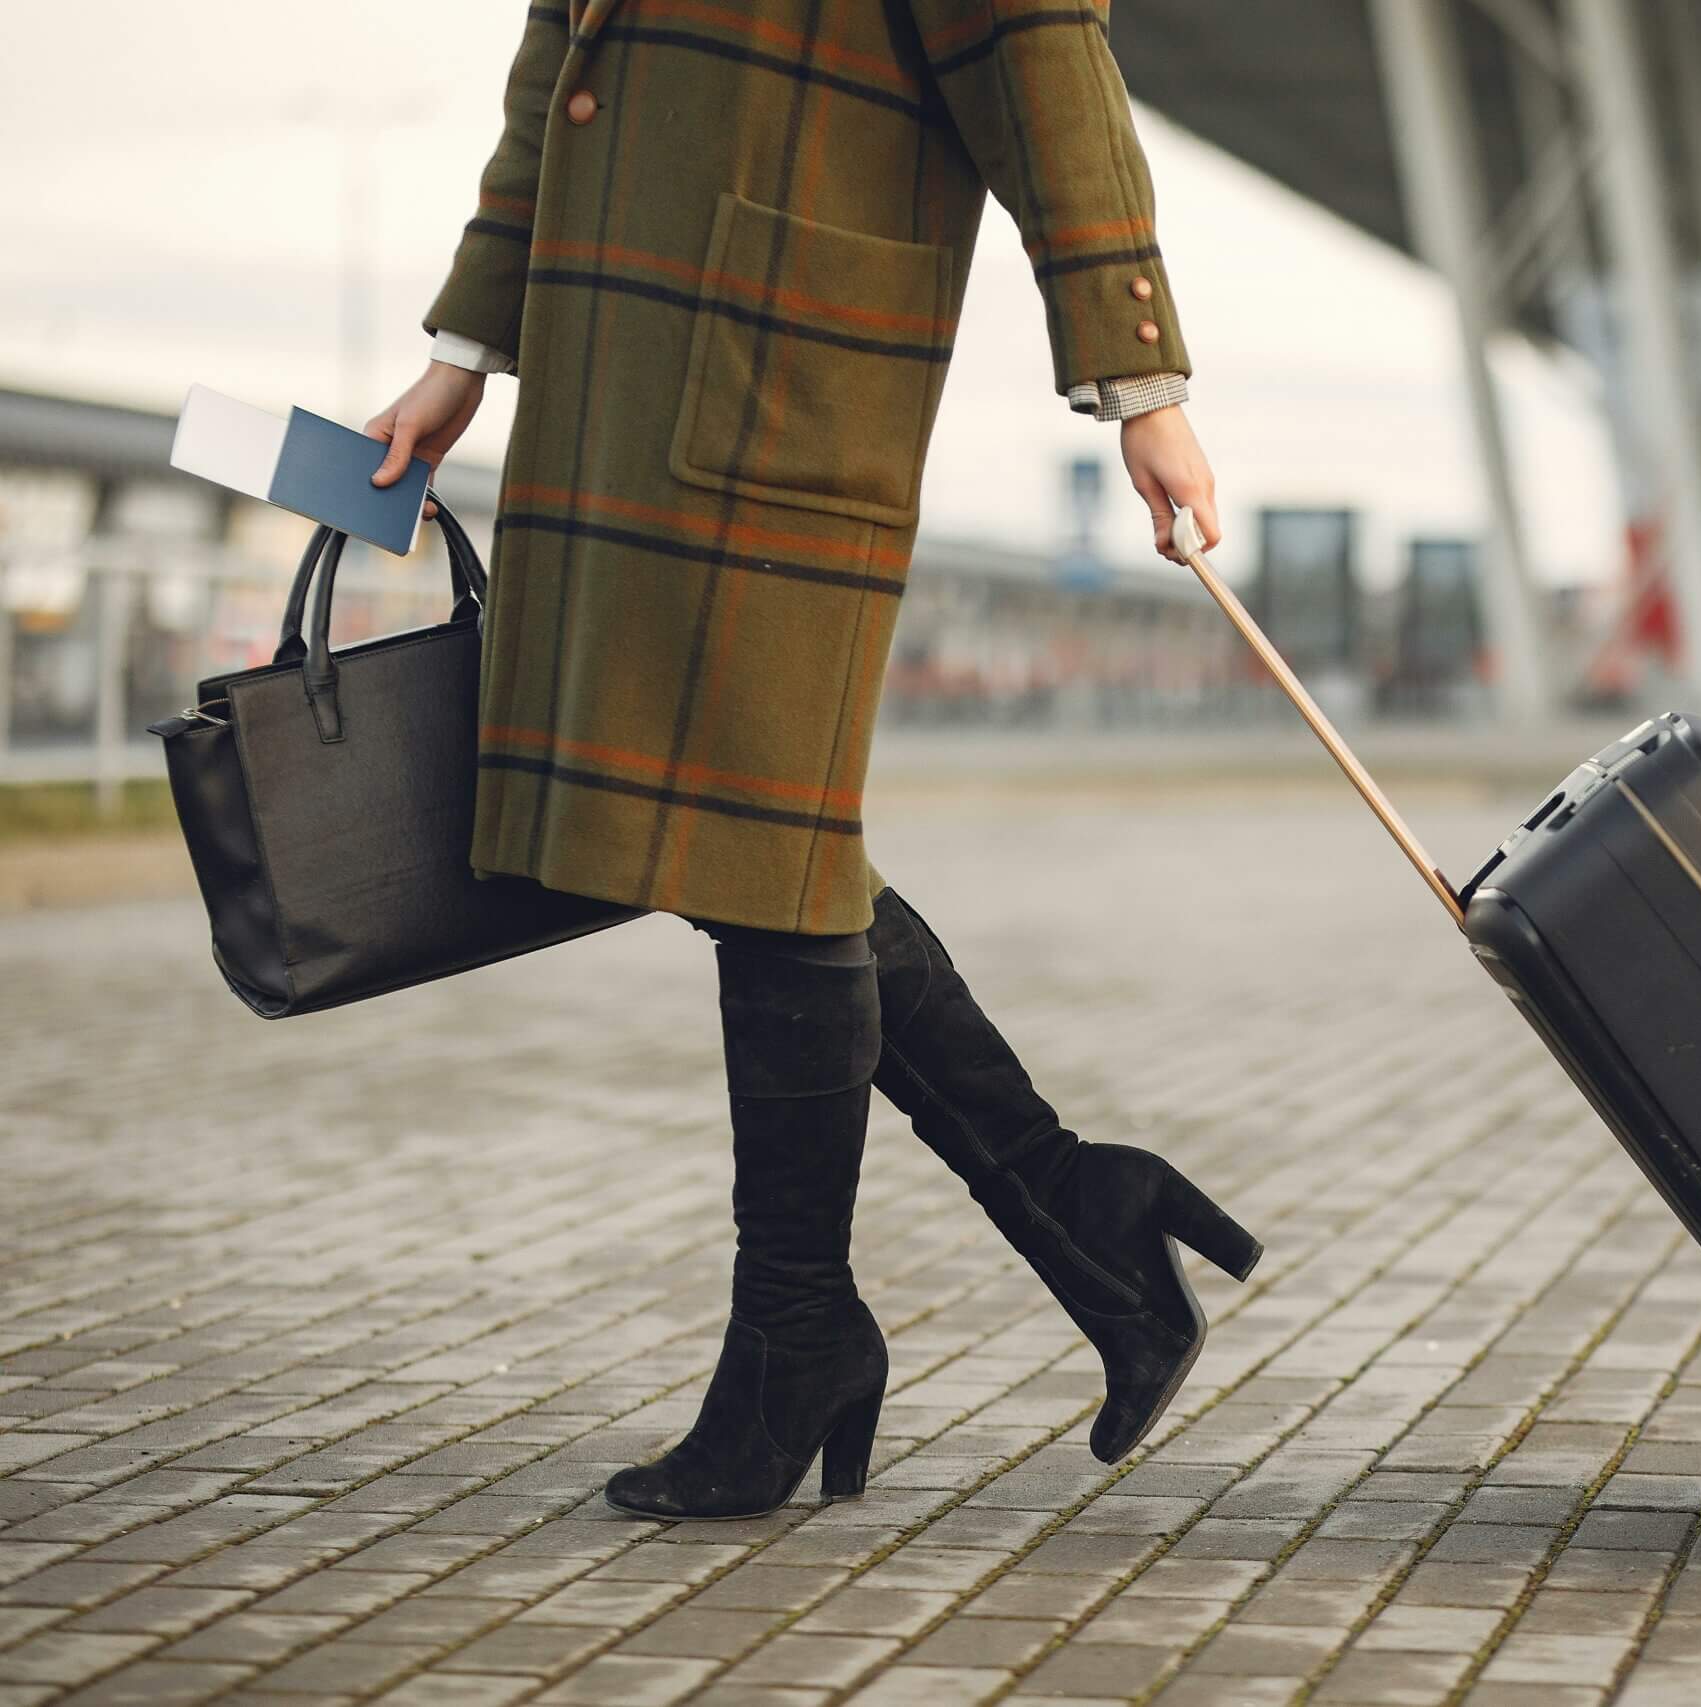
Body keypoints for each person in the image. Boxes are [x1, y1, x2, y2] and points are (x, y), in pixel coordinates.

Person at [363, 0, 1261, 1521]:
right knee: (755, 845)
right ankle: (1063, 1220)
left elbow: (1041, 49)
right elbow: (555, 72)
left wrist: (1145, 384)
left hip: (783, 362)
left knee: (762, 846)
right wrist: (465, 349)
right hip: (613, 377)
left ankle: (813, 1327)